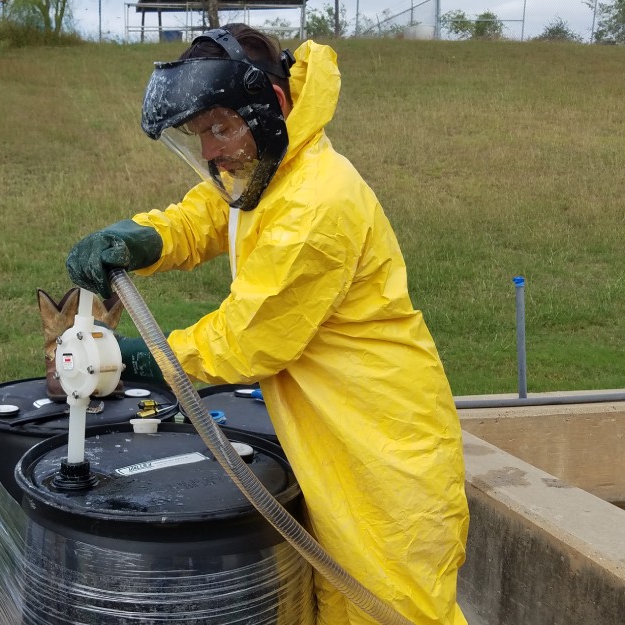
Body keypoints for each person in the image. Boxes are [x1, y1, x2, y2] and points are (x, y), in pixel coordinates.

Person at [65, 24, 469, 625]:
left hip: (382, 453)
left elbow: (248, 339)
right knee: (336, 603)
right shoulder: (270, 165)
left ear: (272, 105)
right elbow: (212, 210)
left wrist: (135, 356)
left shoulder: (318, 203)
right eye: (200, 133)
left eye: (221, 128)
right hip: (332, 432)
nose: (210, 152)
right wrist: (146, 238)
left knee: (390, 610)